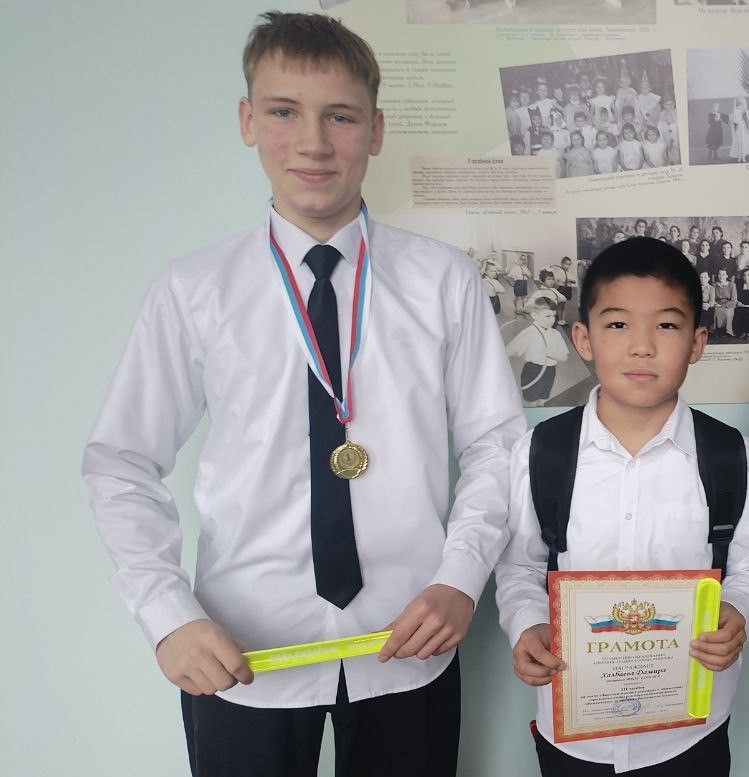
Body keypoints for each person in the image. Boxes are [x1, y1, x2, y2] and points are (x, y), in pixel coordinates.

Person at [81, 12, 525, 777]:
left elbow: (497, 446)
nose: (313, 142)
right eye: (284, 111)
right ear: (247, 120)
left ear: (376, 130)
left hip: (408, 639)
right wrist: (167, 615)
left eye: (340, 116)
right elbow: (120, 461)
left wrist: (460, 577)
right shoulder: (195, 289)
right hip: (239, 650)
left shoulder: (442, 280)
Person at [494, 237, 749, 776]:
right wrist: (527, 624)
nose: (642, 346)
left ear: (697, 342)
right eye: (618, 324)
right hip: (574, 732)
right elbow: (522, 566)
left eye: (666, 325)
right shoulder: (543, 450)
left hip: (689, 733)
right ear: (583, 338)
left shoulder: (728, 453)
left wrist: (739, 613)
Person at [506, 297, 570, 407]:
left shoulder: (556, 334)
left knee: (543, 398)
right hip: (533, 371)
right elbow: (509, 350)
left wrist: (551, 353)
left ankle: (540, 409)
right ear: (534, 315)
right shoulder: (529, 333)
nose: (552, 320)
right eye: (547, 316)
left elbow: (564, 357)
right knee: (531, 401)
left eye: (554, 316)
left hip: (550, 372)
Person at [730, 96, 749, 163]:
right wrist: (735, 100)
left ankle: (743, 157)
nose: (739, 105)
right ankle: (739, 157)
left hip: (743, 127)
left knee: (743, 142)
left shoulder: (742, 110)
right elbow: (734, 112)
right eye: (738, 103)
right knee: (739, 142)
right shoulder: (735, 110)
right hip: (739, 128)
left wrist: (747, 128)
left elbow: (745, 114)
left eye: (740, 103)